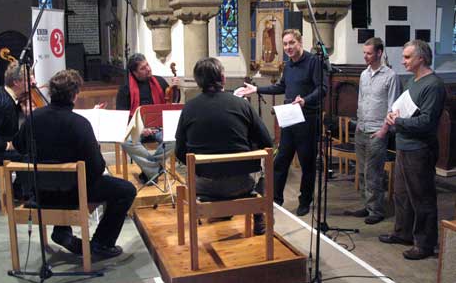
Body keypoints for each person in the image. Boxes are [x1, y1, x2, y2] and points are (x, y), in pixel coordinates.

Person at [13, 69, 136, 258]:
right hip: (72, 192)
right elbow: (97, 168)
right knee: (126, 190)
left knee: (62, 180)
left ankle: (62, 231)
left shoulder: (33, 118)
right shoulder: (79, 124)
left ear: (51, 93)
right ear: (75, 94)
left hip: (39, 192)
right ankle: (101, 244)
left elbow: (19, 146)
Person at [175, 57, 272, 233]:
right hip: (241, 183)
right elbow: (267, 142)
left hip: (203, 185)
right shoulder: (242, 105)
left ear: (198, 81)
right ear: (223, 78)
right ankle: (258, 212)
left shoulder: (189, 108)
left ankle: (220, 208)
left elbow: (180, 152)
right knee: (261, 171)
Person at [237, 29, 327, 216]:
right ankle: (276, 200)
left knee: (307, 163)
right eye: (285, 44)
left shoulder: (314, 62)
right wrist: (257, 89)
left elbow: (322, 89)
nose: (288, 47)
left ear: (300, 42)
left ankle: (305, 201)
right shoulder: (288, 65)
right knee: (281, 161)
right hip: (290, 118)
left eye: (291, 43)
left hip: (308, 119)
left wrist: (305, 100)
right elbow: (281, 87)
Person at [378, 40, 446, 260]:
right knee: (401, 194)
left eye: (407, 57)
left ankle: (425, 244)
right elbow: (401, 108)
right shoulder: (412, 81)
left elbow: (427, 121)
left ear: (421, 58)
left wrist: (399, 122)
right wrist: (392, 116)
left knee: (422, 197)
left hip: (420, 149)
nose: (403, 61)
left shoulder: (433, 85)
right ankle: (403, 233)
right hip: (404, 146)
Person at [343, 38, 401, 225]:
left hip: (378, 130)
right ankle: (366, 205)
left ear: (379, 53)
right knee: (361, 171)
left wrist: (384, 130)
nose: (365, 56)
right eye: (364, 53)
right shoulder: (364, 75)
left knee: (373, 173)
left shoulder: (390, 76)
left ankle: (376, 210)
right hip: (362, 128)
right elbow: (362, 100)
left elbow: (393, 106)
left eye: (369, 53)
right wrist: (359, 123)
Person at [116, 53, 180, 183]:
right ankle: (156, 169)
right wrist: (141, 129)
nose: (148, 69)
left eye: (148, 65)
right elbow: (121, 117)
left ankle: (150, 170)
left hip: (159, 126)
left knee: (175, 138)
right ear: (134, 72)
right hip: (137, 128)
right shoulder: (125, 89)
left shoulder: (160, 81)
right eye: (143, 68)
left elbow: (172, 102)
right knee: (126, 141)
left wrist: (175, 88)